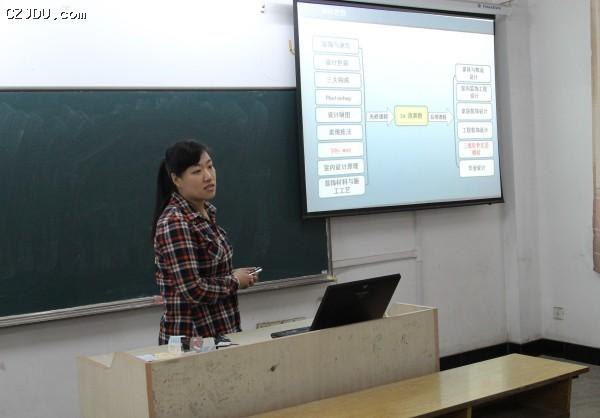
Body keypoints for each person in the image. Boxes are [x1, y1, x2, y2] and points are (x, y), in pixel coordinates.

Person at [152, 140, 257, 347]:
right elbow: (192, 289)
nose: (208, 176)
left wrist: (235, 275)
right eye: (196, 171)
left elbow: (205, 273)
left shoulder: (205, 213)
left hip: (221, 333)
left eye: (210, 166)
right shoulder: (175, 222)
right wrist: (235, 281)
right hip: (193, 342)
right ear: (176, 179)